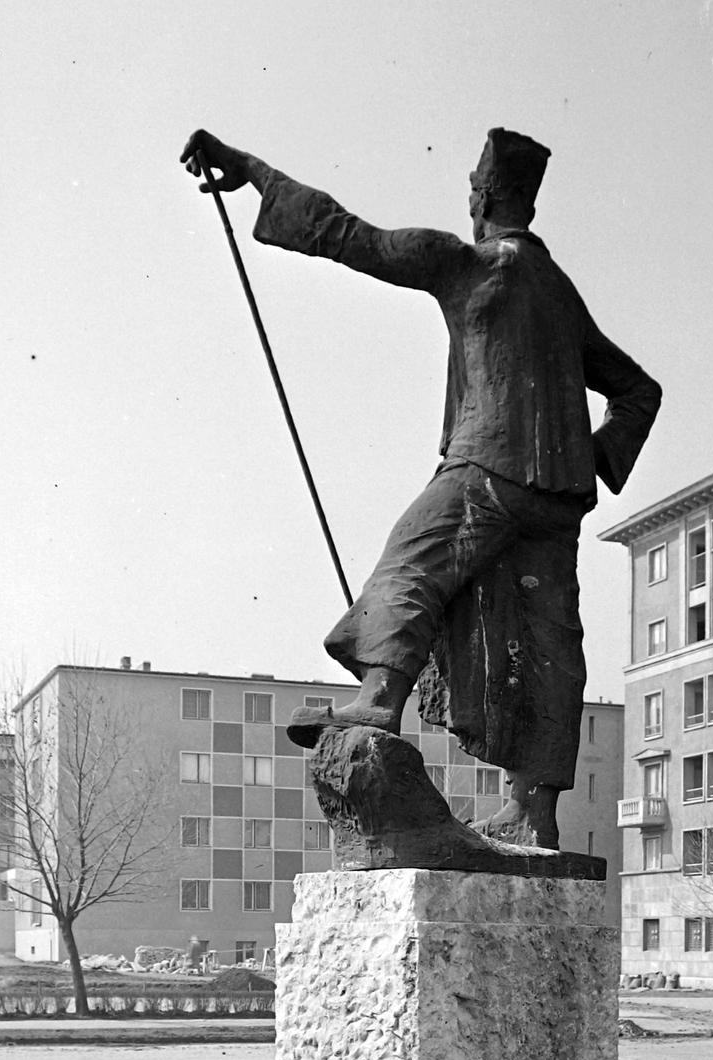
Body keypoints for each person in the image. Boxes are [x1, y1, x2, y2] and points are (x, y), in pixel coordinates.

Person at [182, 128, 661, 850]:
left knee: (413, 565)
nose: (467, 194)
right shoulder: (559, 294)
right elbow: (640, 392)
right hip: (557, 499)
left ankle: (378, 704)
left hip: (487, 468)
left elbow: (351, 236)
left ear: (486, 196)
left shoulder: (468, 263)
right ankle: (534, 810)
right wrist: (587, 455)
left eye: (472, 185)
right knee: (548, 639)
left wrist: (253, 170)